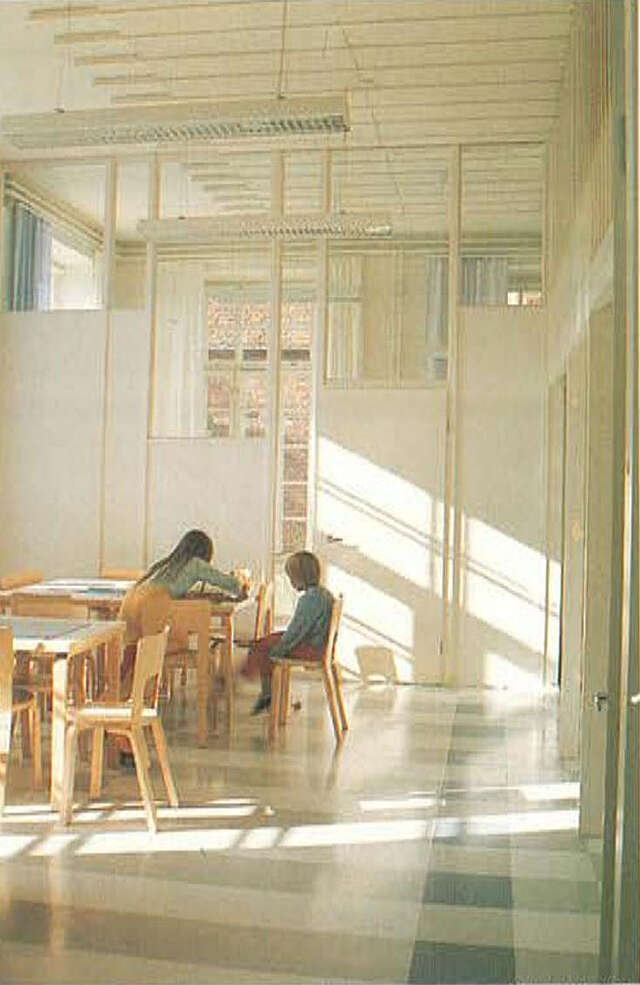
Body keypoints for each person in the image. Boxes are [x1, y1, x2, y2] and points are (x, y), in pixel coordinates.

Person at [115, 528, 244, 763]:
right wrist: (241, 581)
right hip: (152, 608)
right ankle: (127, 733)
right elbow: (229, 584)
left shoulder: (166, 564)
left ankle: (115, 715)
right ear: (203, 552)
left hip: (132, 605)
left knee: (133, 665)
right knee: (149, 668)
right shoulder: (195, 564)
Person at [246, 550, 333, 715]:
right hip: (317, 644)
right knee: (265, 642)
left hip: (311, 648)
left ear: (301, 577)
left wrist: (276, 651)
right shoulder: (323, 594)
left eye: (292, 578)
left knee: (263, 648)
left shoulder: (309, 600)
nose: (291, 582)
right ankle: (264, 690)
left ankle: (261, 688)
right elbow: (298, 630)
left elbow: (294, 635)